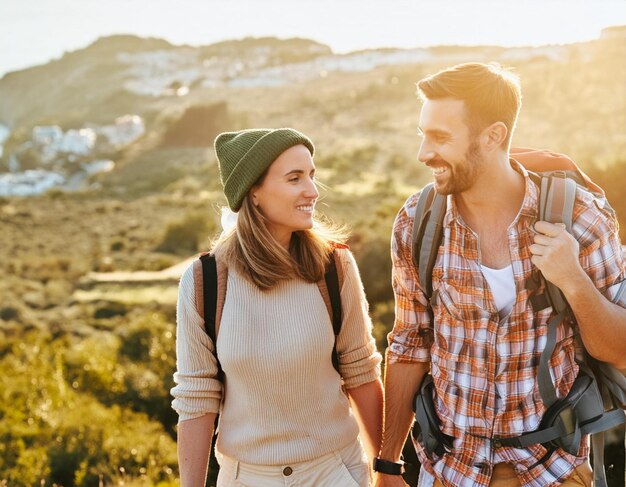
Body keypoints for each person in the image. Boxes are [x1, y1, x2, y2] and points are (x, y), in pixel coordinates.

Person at [373, 63, 626, 487]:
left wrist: (573, 280)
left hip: (555, 472)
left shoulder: (580, 218)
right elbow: (409, 345)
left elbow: (619, 350)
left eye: (440, 137)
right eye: (423, 134)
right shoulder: (416, 222)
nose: (423, 153)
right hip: (451, 472)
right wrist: (387, 464)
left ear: (493, 136)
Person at [171, 127, 384, 486]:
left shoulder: (335, 266)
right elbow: (196, 400)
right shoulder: (204, 281)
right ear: (253, 192)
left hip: (335, 472)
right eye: (294, 178)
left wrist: (387, 468)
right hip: (246, 477)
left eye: (312, 176)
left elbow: (361, 371)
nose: (312, 191)